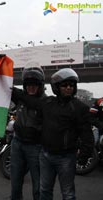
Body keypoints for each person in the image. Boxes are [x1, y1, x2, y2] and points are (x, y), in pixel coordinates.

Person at [12, 68, 94, 200]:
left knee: (67, 193)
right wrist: (11, 87)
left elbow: (86, 133)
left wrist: (85, 153)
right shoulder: (48, 103)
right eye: (64, 85)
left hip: (66, 158)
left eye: (71, 85)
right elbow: (29, 100)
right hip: (46, 156)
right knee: (44, 190)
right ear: (57, 87)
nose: (68, 88)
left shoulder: (79, 108)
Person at [10, 66, 46, 200]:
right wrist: (0, 66)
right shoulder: (20, 97)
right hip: (17, 143)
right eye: (28, 84)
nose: (31, 87)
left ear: (40, 86)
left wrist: (20, 94)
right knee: (15, 181)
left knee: (38, 184)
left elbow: (36, 103)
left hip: (36, 147)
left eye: (35, 84)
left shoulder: (46, 102)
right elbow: (4, 86)